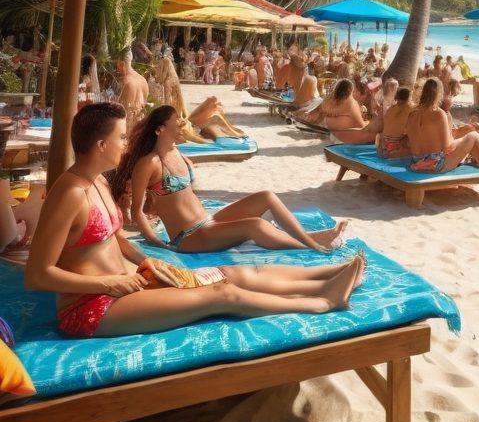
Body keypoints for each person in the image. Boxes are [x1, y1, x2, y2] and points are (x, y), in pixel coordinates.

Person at [25, 103, 364, 338]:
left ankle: (326, 276)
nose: (126, 143)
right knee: (222, 294)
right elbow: (38, 275)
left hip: (129, 283)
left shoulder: (97, 181)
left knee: (232, 273)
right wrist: (107, 284)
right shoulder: (68, 193)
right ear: (101, 145)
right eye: (121, 137)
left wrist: (148, 260)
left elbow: (114, 238)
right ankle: (322, 301)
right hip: (93, 307)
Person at [114, 105, 346, 254]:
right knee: (255, 226)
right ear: (159, 129)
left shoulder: (177, 153)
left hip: (209, 222)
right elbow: (138, 213)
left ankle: (311, 238)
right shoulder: (148, 164)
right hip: (188, 237)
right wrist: (159, 244)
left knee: (266, 197)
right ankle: (313, 246)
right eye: (177, 122)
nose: (182, 126)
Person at [406, 77, 479, 173]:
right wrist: (458, 138)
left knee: (466, 139)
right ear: (439, 94)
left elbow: (411, 141)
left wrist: (460, 140)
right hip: (435, 164)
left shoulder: (413, 114)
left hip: (417, 160)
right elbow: (447, 147)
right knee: (473, 136)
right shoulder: (438, 113)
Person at [321, 79, 380, 144]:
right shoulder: (351, 103)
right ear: (351, 91)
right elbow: (361, 125)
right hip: (350, 138)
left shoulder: (327, 102)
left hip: (335, 134)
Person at [377, 86, 414, 159]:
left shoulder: (391, 109)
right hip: (394, 148)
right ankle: (393, 153)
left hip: (382, 147)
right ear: (409, 97)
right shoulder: (410, 108)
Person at [116, 55, 149, 135]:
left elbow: (123, 111)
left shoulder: (126, 81)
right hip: (140, 128)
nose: (117, 70)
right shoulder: (142, 79)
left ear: (122, 64)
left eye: (117, 66)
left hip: (128, 129)